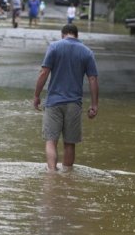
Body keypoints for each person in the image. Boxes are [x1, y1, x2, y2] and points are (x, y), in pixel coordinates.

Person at [34, 24, 99, 172]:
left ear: (63, 34)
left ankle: (52, 175)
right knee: (69, 143)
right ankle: (67, 177)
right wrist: (94, 104)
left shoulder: (54, 47)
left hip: (53, 103)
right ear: (77, 35)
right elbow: (93, 79)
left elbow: (43, 73)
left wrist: (37, 95)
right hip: (74, 104)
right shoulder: (87, 52)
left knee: (51, 141)